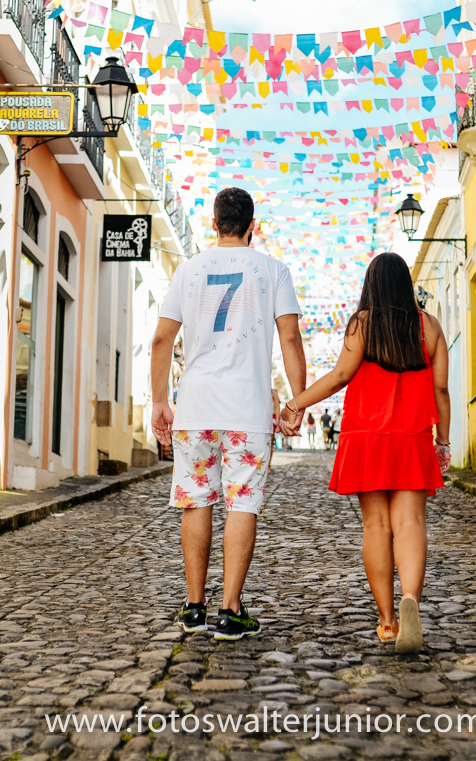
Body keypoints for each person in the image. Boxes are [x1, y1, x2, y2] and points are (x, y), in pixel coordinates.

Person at [151, 187, 307, 640]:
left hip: (196, 406)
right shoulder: (273, 270)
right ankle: (229, 611)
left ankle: (194, 606)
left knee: (195, 498)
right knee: (243, 501)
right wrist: (297, 400)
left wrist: (160, 400)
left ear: (214, 224)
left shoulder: (189, 269)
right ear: (252, 226)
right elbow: (290, 340)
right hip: (246, 408)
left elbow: (162, 340)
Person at [280, 253, 450, 654]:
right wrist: (443, 440)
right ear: (406, 284)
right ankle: (411, 598)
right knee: (409, 523)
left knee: (376, 527)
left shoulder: (362, 324)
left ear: (371, 285)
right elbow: (440, 389)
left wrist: (295, 404)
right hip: (411, 437)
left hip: (365, 437)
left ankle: (389, 621)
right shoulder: (430, 327)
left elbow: (340, 376)